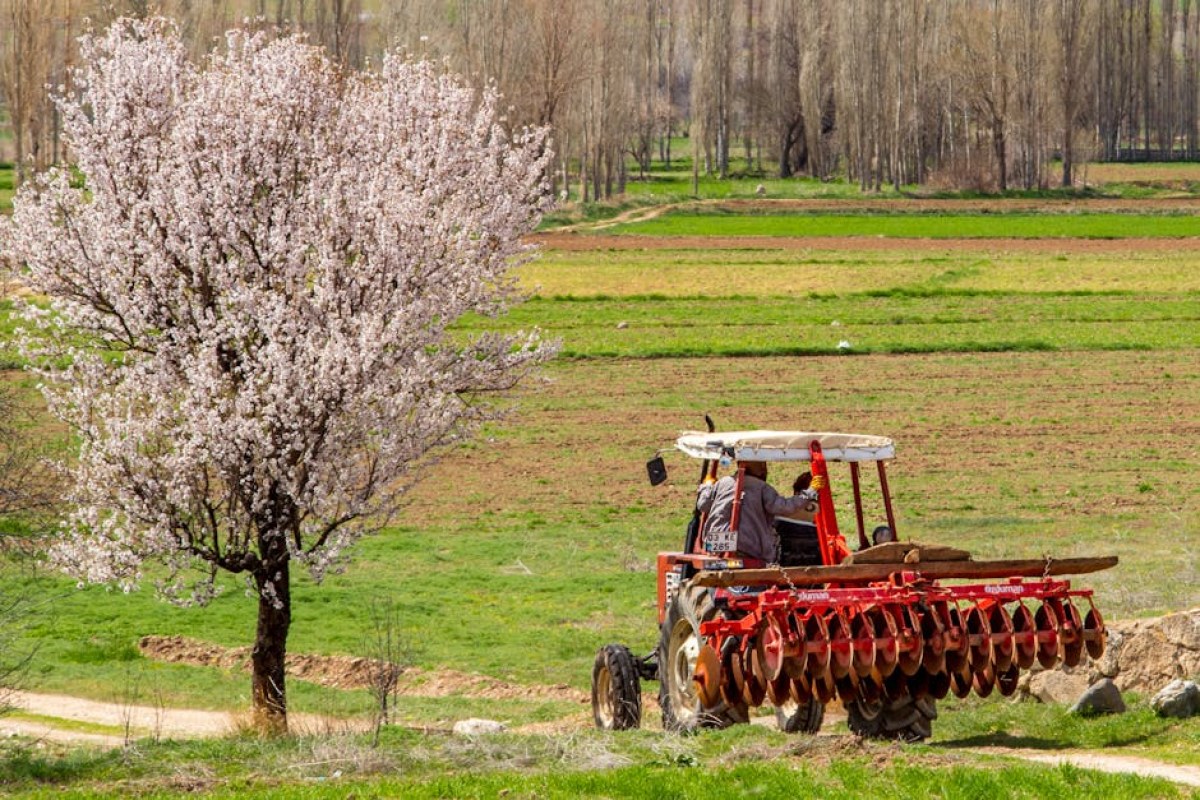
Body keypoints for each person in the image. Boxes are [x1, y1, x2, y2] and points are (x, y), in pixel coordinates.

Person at [696, 461, 823, 564]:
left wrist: (707, 486)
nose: (765, 469)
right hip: (748, 549)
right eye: (764, 465)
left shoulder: (722, 483)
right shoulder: (762, 488)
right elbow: (785, 507)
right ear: (761, 467)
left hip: (714, 546)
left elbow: (702, 505)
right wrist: (811, 492)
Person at [775, 472, 822, 566]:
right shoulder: (821, 511)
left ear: (796, 492)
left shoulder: (781, 510)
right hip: (815, 563)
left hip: (784, 563)